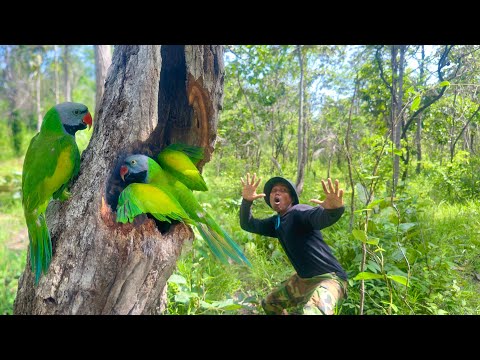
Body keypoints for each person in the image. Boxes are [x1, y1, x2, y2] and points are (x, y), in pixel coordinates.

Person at [240, 173, 347, 315]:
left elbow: (318, 218)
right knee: (270, 304)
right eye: (273, 191)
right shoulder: (276, 222)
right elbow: (248, 224)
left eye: (283, 190)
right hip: (303, 280)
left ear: (291, 198)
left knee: (312, 312)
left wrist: (333, 210)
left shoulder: (298, 211)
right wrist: (246, 201)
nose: (277, 192)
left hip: (329, 279)